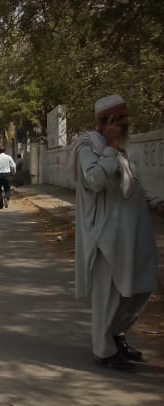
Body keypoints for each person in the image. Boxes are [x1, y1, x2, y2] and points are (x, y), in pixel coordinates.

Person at [73, 95, 164, 371]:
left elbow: (132, 184)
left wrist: (155, 203)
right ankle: (104, 351)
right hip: (106, 236)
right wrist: (110, 147)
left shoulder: (122, 149)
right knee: (110, 296)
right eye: (121, 118)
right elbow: (95, 181)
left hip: (134, 234)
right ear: (106, 121)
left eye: (126, 116)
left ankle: (117, 336)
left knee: (139, 290)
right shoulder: (89, 146)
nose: (127, 121)